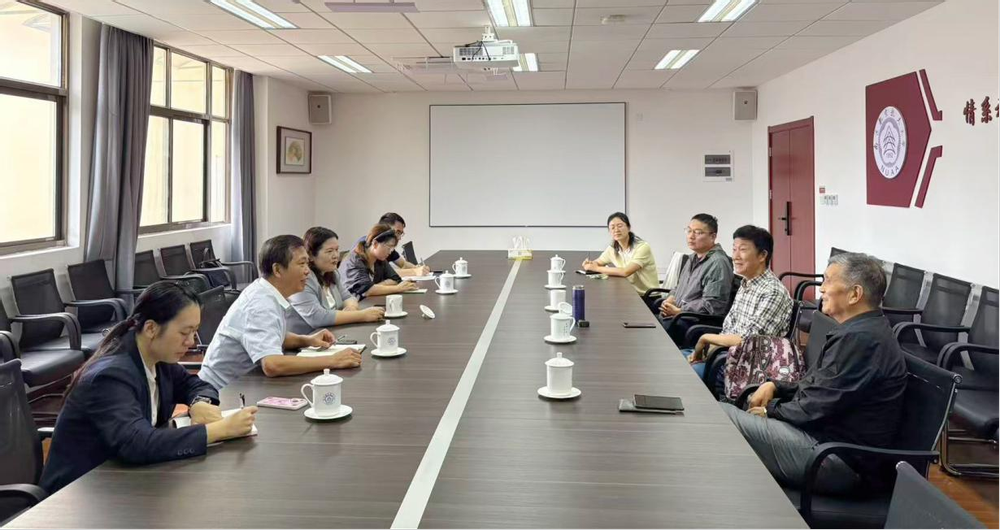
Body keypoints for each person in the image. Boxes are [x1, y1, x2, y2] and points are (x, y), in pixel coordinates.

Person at [39, 282, 258, 495]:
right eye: (185, 332)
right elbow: (137, 443)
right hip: (80, 493)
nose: (191, 341)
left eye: (194, 332)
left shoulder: (158, 358)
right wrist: (220, 430)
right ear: (151, 328)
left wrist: (199, 402)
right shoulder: (109, 377)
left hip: (123, 481)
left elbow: (195, 384)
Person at [722, 253, 908, 495]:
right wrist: (777, 386)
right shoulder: (862, 330)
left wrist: (771, 411)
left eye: (828, 280)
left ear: (855, 294)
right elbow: (823, 387)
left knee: (720, 415)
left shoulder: (861, 339)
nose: (822, 289)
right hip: (824, 443)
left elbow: (816, 406)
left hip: (837, 460)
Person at [199, 235, 363, 391]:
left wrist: (306, 340)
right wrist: (333, 360)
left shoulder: (267, 291)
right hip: (221, 394)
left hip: (248, 383)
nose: (307, 271)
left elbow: (273, 334)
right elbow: (272, 365)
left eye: (307, 264)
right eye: (302, 264)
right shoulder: (260, 304)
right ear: (277, 270)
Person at [686, 226, 793, 378]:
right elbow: (729, 328)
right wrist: (710, 349)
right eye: (734, 249)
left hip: (743, 369)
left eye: (742, 250)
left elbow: (748, 342)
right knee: (674, 359)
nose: (735, 256)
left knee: (681, 372)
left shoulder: (772, 292)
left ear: (762, 255)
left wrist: (706, 339)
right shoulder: (746, 283)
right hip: (722, 355)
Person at [654, 214, 734, 346]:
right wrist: (670, 299)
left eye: (698, 232)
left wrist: (680, 311)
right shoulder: (692, 258)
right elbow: (679, 287)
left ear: (713, 236)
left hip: (694, 322)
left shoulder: (718, 263)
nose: (691, 236)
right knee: (646, 324)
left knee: (651, 335)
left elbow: (712, 305)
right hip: (679, 316)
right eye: (689, 230)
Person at [288, 227, 386, 334]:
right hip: (307, 339)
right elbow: (317, 318)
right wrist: (362, 315)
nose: (336, 256)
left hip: (332, 333)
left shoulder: (332, 273)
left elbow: (348, 297)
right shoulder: (303, 278)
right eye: (329, 251)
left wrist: (351, 307)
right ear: (311, 255)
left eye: (337, 250)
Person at [582, 212, 659, 296]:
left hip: (647, 296)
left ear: (628, 228)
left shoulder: (642, 247)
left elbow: (625, 272)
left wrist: (596, 268)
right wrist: (589, 264)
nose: (616, 230)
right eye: (612, 227)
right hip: (628, 293)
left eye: (620, 226)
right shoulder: (613, 248)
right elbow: (597, 262)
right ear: (609, 231)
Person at [341, 223, 419, 300]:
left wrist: (376, 287)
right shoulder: (355, 261)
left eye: (392, 248)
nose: (390, 252)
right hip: (354, 304)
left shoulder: (380, 259)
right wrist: (397, 288)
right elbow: (367, 290)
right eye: (389, 247)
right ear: (375, 243)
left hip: (369, 301)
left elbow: (395, 279)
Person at [355, 213, 429, 277]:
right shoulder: (367, 245)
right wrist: (414, 272)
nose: (399, 238)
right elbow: (385, 274)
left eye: (401, 233)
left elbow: (403, 264)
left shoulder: (388, 248)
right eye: (398, 232)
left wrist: (418, 268)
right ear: (385, 228)